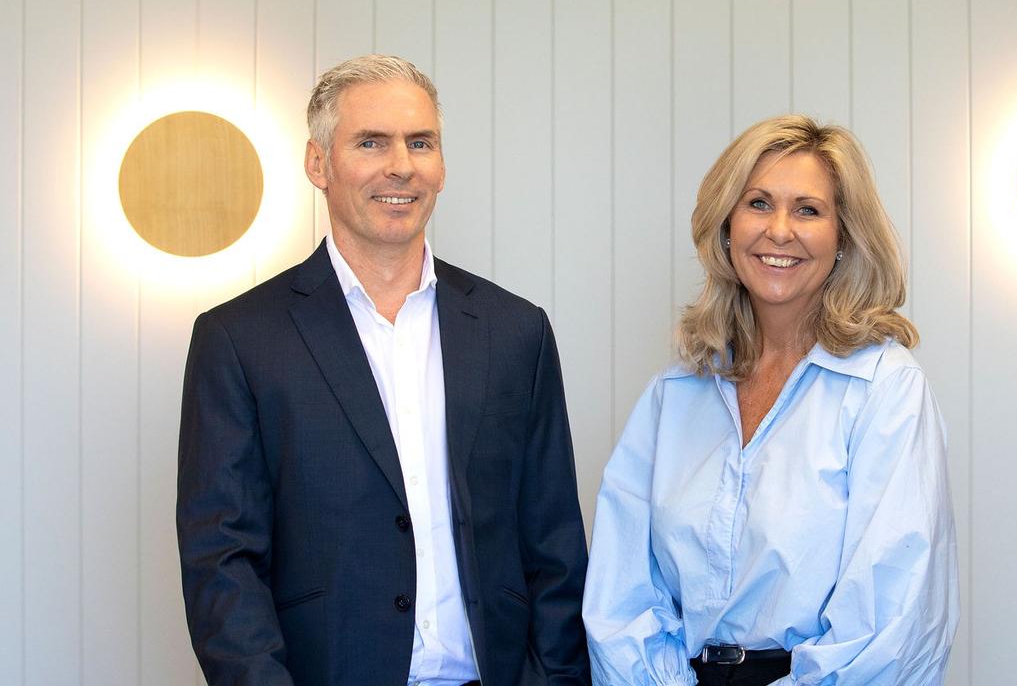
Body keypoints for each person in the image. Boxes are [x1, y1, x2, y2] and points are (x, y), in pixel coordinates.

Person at [176, 55, 591, 686]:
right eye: (371, 142)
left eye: (420, 143)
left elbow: (555, 542)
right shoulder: (239, 339)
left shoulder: (516, 331)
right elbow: (222, 563)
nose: (401, 165)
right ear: (319, 163)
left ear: (442, 166)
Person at [582, 115, 958, 685]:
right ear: (727, 226)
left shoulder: (886, 389)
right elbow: (621, 593)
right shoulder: (676, 392)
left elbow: (892, 623)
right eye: (758, 203)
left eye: (808, 210)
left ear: (844, 238)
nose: (779, 230)